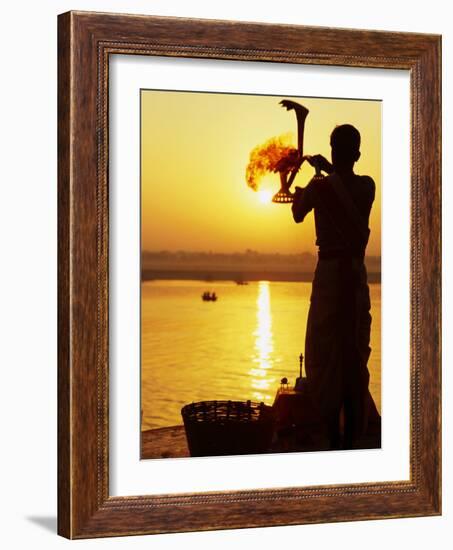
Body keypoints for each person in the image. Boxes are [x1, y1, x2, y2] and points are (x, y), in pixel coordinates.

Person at [287, 120, 377, 450]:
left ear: (331, 150)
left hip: (328, 281)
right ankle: (352, 441)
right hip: (354, 278)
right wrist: (326, 173)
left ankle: (332, 440)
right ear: (357, 153)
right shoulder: (367, 186)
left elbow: (297, 213)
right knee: (354, 360)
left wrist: (311, 184)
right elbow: (345, 187)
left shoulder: (320, 187)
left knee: (324, 362)